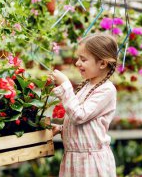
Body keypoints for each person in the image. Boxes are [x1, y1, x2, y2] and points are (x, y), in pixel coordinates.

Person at [50, 33, 118, 177]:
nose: (77, 63)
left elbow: (79, 116)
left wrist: (66, 85)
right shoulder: (87, 85)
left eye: (83, 59)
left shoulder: (106, 89)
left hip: (91, 163)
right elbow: (86, 125)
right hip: (74, 159)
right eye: (78, 58)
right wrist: (62, 129)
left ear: (102, 63)